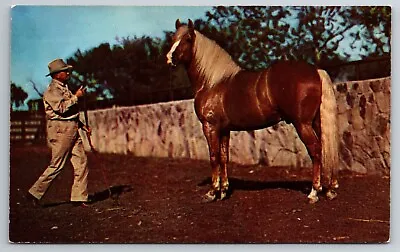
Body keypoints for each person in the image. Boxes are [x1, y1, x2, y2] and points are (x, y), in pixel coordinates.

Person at [26, 58, 91, 208]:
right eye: (64, 71)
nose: (68, 73)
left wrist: (82, 126)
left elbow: (71, 113)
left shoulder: (64, 88)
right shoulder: (52, 91)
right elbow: (61, 109)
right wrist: (76, 97)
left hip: (72, 128)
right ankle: (34, 193)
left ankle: (79, 197)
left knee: (81, 162)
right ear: (56, 75)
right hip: (61, 131)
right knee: (57, 165)